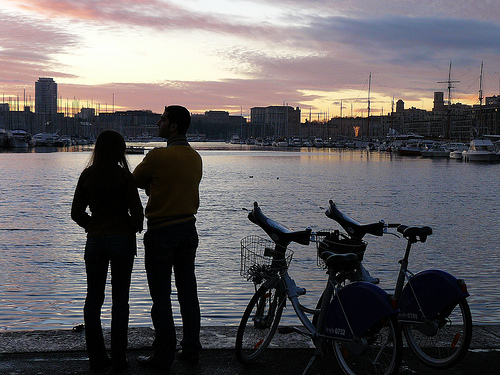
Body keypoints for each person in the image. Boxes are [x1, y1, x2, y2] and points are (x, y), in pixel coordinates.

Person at [133, 105, 203, 370]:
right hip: (188, 229)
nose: (158, 123)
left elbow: (135, 180)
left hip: (161, 230)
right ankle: (191, 349)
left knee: (161, 296)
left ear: (173, 126)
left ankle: (163, 354)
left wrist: (154, 186)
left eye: (162, 120)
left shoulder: (157, 156)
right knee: (188, 293)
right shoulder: (196, 157)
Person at [71, 130, 144, 371]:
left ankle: (97, 357)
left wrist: (92, 225)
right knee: (120, 300)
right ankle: (119, 358)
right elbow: (137, 213)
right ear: (120, 151)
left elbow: (76, 213)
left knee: (93, 298)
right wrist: (130, 227)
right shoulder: (124, 177)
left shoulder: (88, 175)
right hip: (121, 239)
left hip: (95, 240)